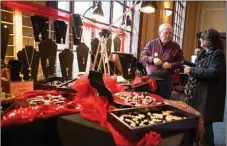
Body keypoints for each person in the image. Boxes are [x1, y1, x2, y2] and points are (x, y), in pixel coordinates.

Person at [184, 28, 226, 146]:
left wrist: (192, 70)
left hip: (208, 96)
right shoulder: (204, 53)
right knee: (198, 121)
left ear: (209, 41)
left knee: (205, 124)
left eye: (202, 38)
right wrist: (188, 64)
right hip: (198, 93)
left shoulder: (218, 54)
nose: (200, 40)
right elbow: (201, 67)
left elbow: (213, 72)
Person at [140, 23, 184, 99]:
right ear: (160, 33)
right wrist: (153, 59)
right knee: (150, 102)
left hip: (166, 81)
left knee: (164, 103)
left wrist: (171, 65)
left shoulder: (176, 47)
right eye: (166, 33)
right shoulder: (151, 44)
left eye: (170, 33)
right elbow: (142, 57)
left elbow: (181, 62)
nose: (168, 35)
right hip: (151, 80)